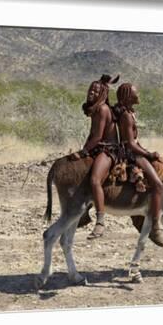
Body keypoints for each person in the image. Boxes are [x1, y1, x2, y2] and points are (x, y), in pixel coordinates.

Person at [112, 82, 163, 245]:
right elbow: (130, 143)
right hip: (131, 155)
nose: (138, 95)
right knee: (158, 186)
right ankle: (155, 227)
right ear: (129, 97)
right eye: (136, 93)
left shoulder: (129, 113)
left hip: (134, 151)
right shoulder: (127, 116)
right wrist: (148, 154)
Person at [70, 74, 120, 239]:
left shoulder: (102, 109)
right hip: (98, 148)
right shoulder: (95, 110)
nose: (91, 92)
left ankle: (100, 222)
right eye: (91, 89)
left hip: (108, 151)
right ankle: (84, 214)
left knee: (94, 180)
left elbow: (98, 137)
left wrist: (83, 152)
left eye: (95, 90)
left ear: (103, 93)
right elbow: (92, 136)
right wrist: (83, 150)